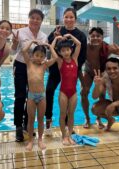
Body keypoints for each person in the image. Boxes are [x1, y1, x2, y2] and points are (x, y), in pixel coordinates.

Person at [81, 27, 119, 129]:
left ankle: (99, 118)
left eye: (98, 36)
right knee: (84, 93)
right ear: (89, 37)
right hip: (89, 72)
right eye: (92, 36)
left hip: (102, 72)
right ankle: (87, 118)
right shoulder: (85, 48)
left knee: (101, 95)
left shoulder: (107, 47)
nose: (95, 38)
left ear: (102, 38)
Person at [45, 7, 87, 135]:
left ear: (75, 19)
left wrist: (75, 70)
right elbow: (49, 46)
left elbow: (82, 55)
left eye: (71, 17)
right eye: (66, 17)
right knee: (49, 91)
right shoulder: (58, 30)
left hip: (71, 71)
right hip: (56, 68)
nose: (68, 19)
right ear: (63, 18)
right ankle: (48, 120)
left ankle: (69, 124)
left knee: (70, 94)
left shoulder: (80, 35)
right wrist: (55, 37)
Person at [11, 9, 48, 142]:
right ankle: (18, 127)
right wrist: (15, 43)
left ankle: (28, 125)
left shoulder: (43, 36)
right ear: (29, 18)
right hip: (21, 65)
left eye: (38, 18)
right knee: (20, 96)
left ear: (41, 21)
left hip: (36, 68)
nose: (35, 20)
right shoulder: (20, 32)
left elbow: (44, 53)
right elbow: (12, 51)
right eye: (32, 17)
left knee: (30, 96)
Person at [22, 40, 58, 151]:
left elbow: (55, 58)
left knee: (41, 118)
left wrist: (49, 47)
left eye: (42, 56)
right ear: (32, 55)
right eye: (37, 55)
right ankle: (30, 141)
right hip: (31, 96)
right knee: (31, 119)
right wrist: (32, 41)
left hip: (42, 96)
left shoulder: (44, 65)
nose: (39, 58)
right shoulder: (29, 63)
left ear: (44, 57)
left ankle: (40, 139)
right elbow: (24, 50)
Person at [52, 34, 81, 145]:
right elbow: (51, 47)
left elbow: (79, 44)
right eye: (63, 51)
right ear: (60, 52)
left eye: (68, 50)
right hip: (63, 92)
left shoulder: (75, 59)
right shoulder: (60, 61)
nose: (66, 52)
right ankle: (64, 136)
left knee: (71, 114)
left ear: (71, 50)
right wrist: (55, 39)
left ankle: (69, 136)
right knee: (63, 114)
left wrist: (70, 35)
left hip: (73, 92)